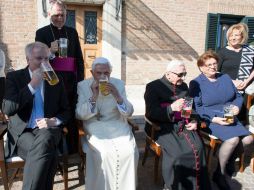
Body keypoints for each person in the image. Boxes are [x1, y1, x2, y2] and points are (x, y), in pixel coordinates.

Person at [2, 42, 70, 190]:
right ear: (28, 60)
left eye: (47, 58)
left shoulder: (55, 80)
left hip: (49, 129)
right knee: (47, 154)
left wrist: (53, 121)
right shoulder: (15, 78)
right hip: (24, 132)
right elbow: (8, 109)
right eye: (39, 59)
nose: (44, 63)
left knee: (45, 137)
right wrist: (32, 85)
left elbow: (66, 111)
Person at [189, 51, 253, 190]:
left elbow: (237, 96)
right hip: (210, 118)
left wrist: (236, 106)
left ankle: (222, 163)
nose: (212, 67)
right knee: (233, 140)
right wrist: (215, 119)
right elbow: (197, 107)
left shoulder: (225, 77)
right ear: (201, 67)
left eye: (214, 63)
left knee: (248, 139)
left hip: (229, 114)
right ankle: (221, 174)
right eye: (208, 65)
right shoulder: (196, 83)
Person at [144, 60, 211, 190]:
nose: (183, 77)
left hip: (183, 124)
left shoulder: (184, 86)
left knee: (199, 147)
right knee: (177, 155)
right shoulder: (153, 86)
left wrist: (193, 120)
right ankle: (172, 186)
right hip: (161, 127)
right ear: (168, 74)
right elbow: (151, 112)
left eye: (185, 74)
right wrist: (171, 108)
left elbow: (188, 109)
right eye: (180, 74)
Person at [76, 57, 139, 190]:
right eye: (99, 73)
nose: (103, 76)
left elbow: (128, 112)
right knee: (104, 152)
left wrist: (117, 95)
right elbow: (79, 114)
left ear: (110, 72)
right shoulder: (82, 85)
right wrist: (94, 96)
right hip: (94, 125)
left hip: (117, 124)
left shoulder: (119, 84)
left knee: (129, 151)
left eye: (106, 73)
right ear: (92, 73)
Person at [35, 0, 84, 153]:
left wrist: (80, 82)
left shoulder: (72, 32)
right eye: (56, 15)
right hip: (52, 82)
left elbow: (79, 59)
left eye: (62, 15)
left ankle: (73, 150)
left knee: (71, 115)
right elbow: (37, 59)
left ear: (66, 14)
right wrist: (49, 51)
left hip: (70, 82)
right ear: (49, 14)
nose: (59, 18)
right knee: (54, 116)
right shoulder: (41, 33)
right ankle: (55, 153)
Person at [218, 23, 254, 122]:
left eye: (236, 35)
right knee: (228, 119)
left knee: (241, 118)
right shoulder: (222, 52)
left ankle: (240, 134)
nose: (233, 38)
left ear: (242, 36)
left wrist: (246, 81)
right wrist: (232, 82)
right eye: (231, 35)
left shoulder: (249, 51)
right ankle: (229, 132)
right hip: (227, 90)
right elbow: (215, 72)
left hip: (244, 91)